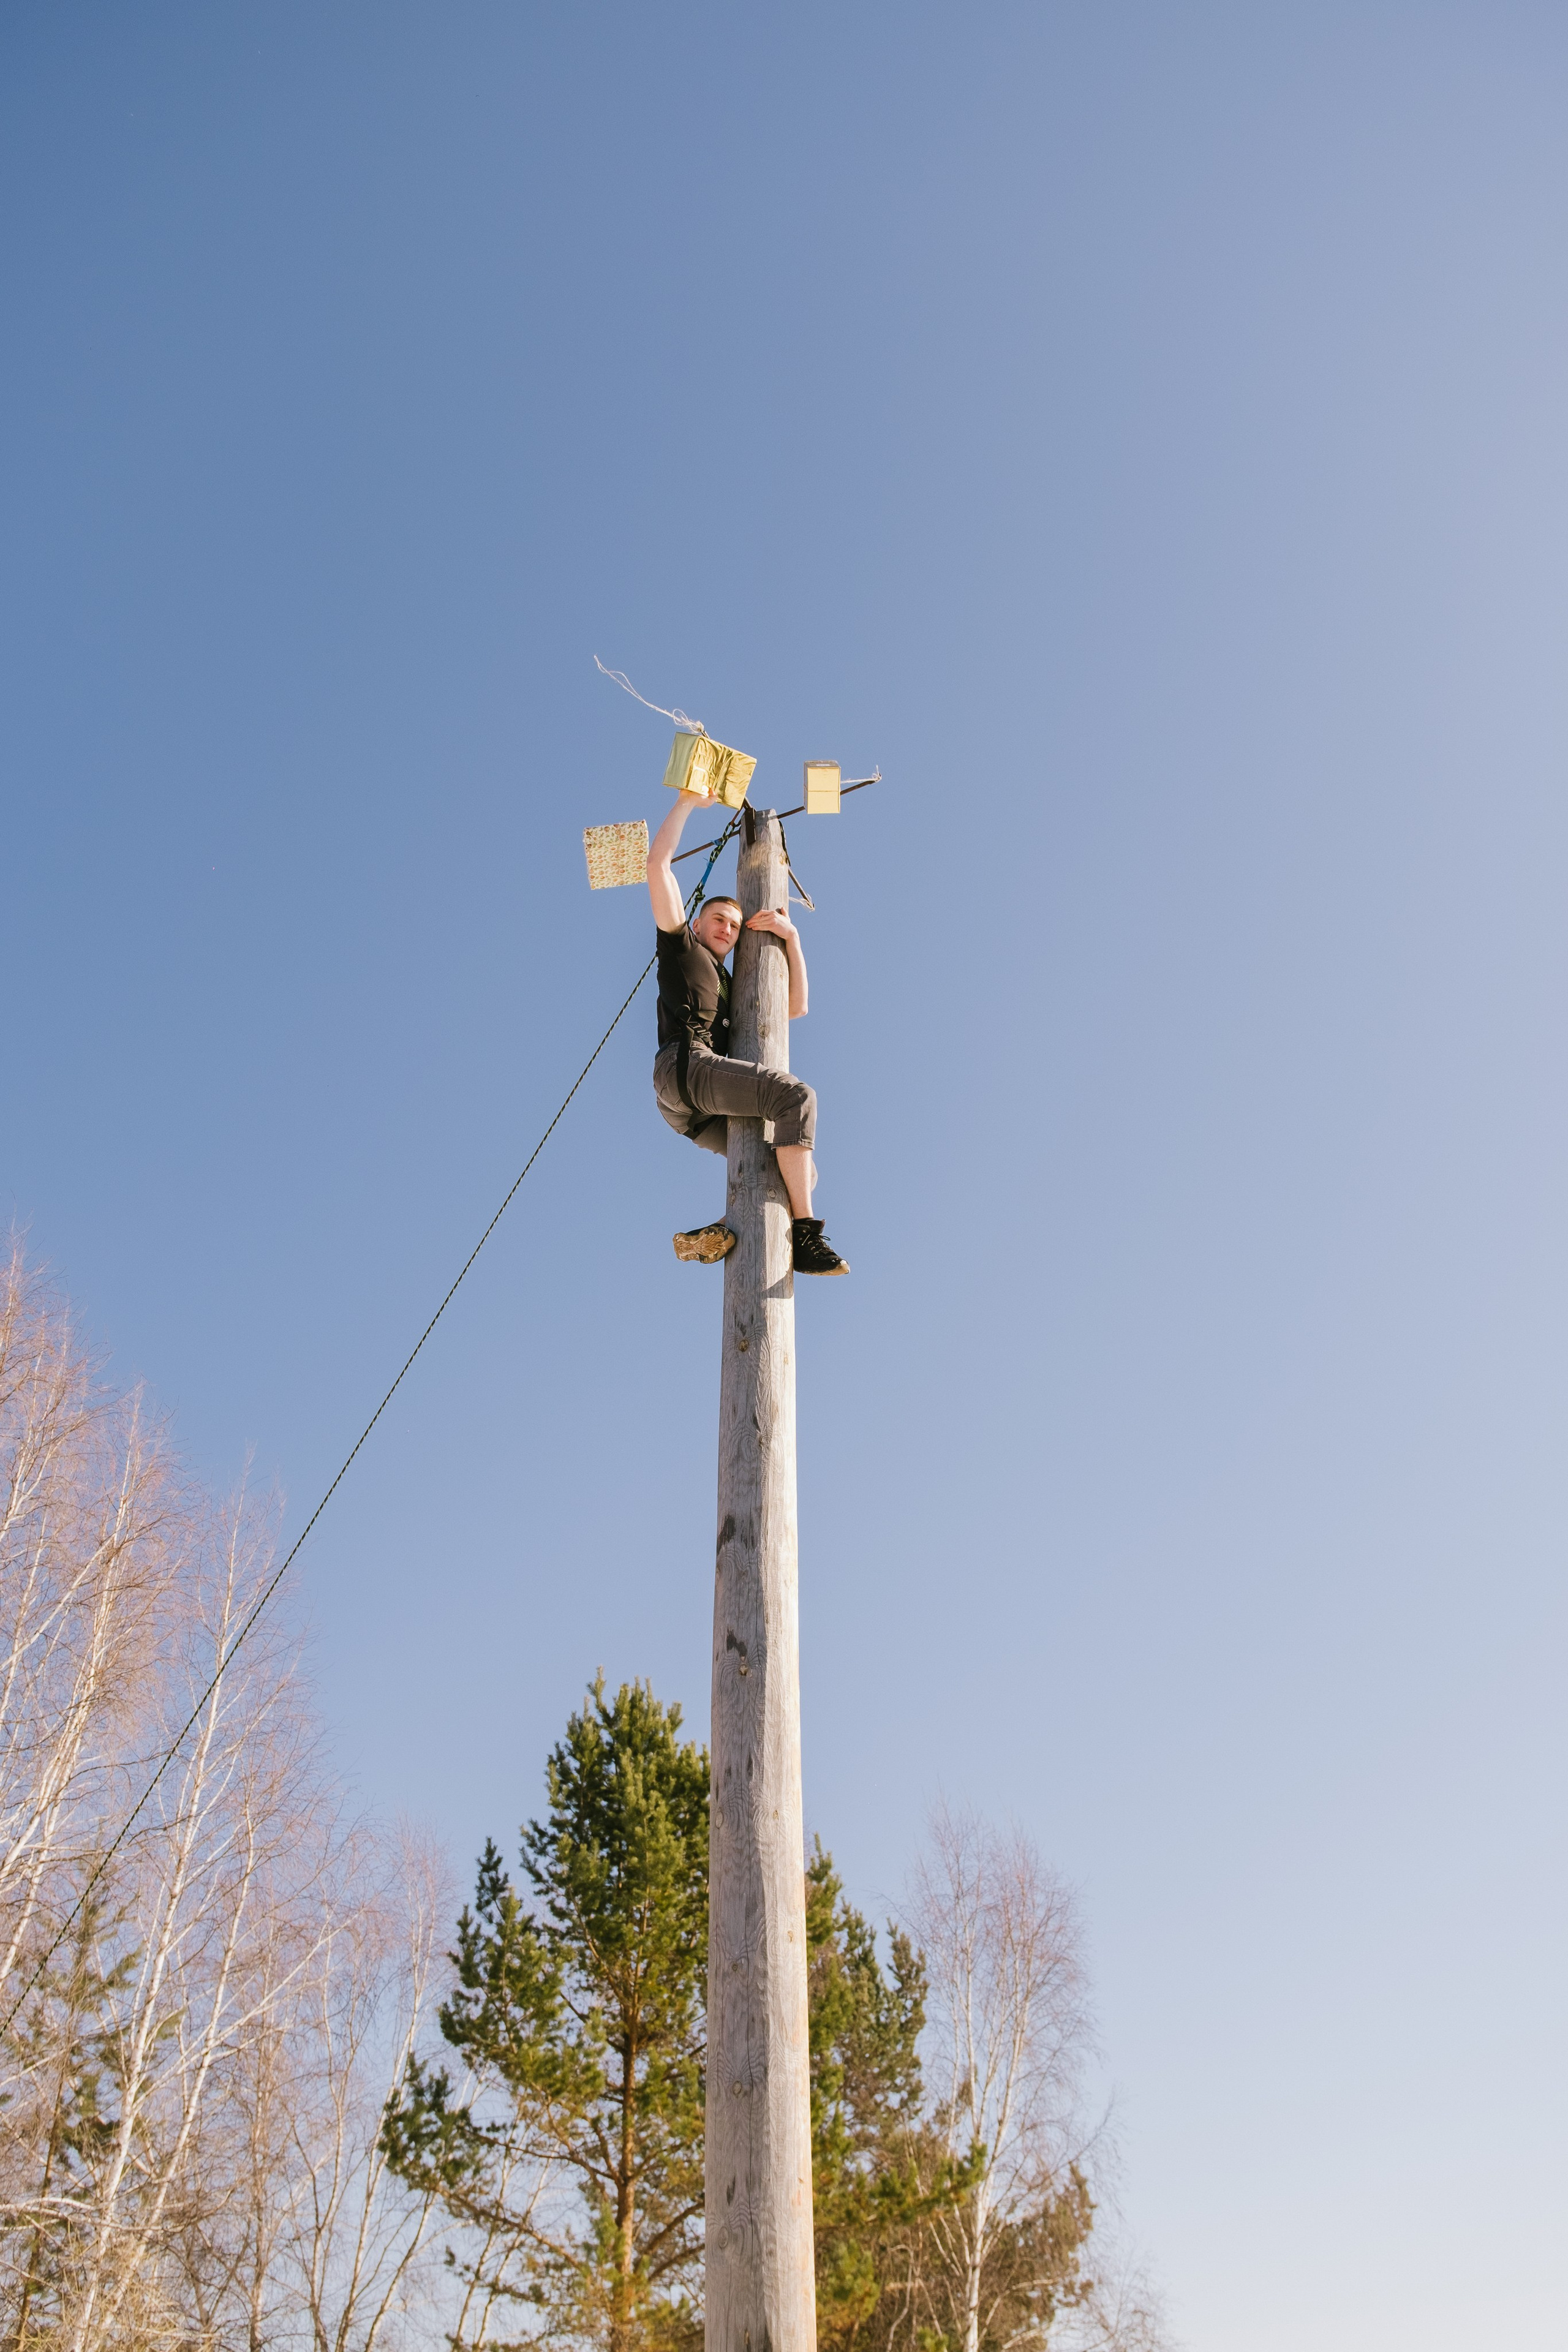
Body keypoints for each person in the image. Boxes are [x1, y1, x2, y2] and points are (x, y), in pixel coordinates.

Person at [647, 787, 850, 1276]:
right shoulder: (684, 950)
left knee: (792, 1163)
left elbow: (794, 1007)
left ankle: (725, 1227)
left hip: (693, 1112)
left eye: (736, 926)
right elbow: (659, 868)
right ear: (698, 920)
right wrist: (688, 804)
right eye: (719, 919)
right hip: (685, 1067)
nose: (727, 929)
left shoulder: (735, 989)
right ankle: (806, 1237)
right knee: (795, 1099)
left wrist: (792, 937)